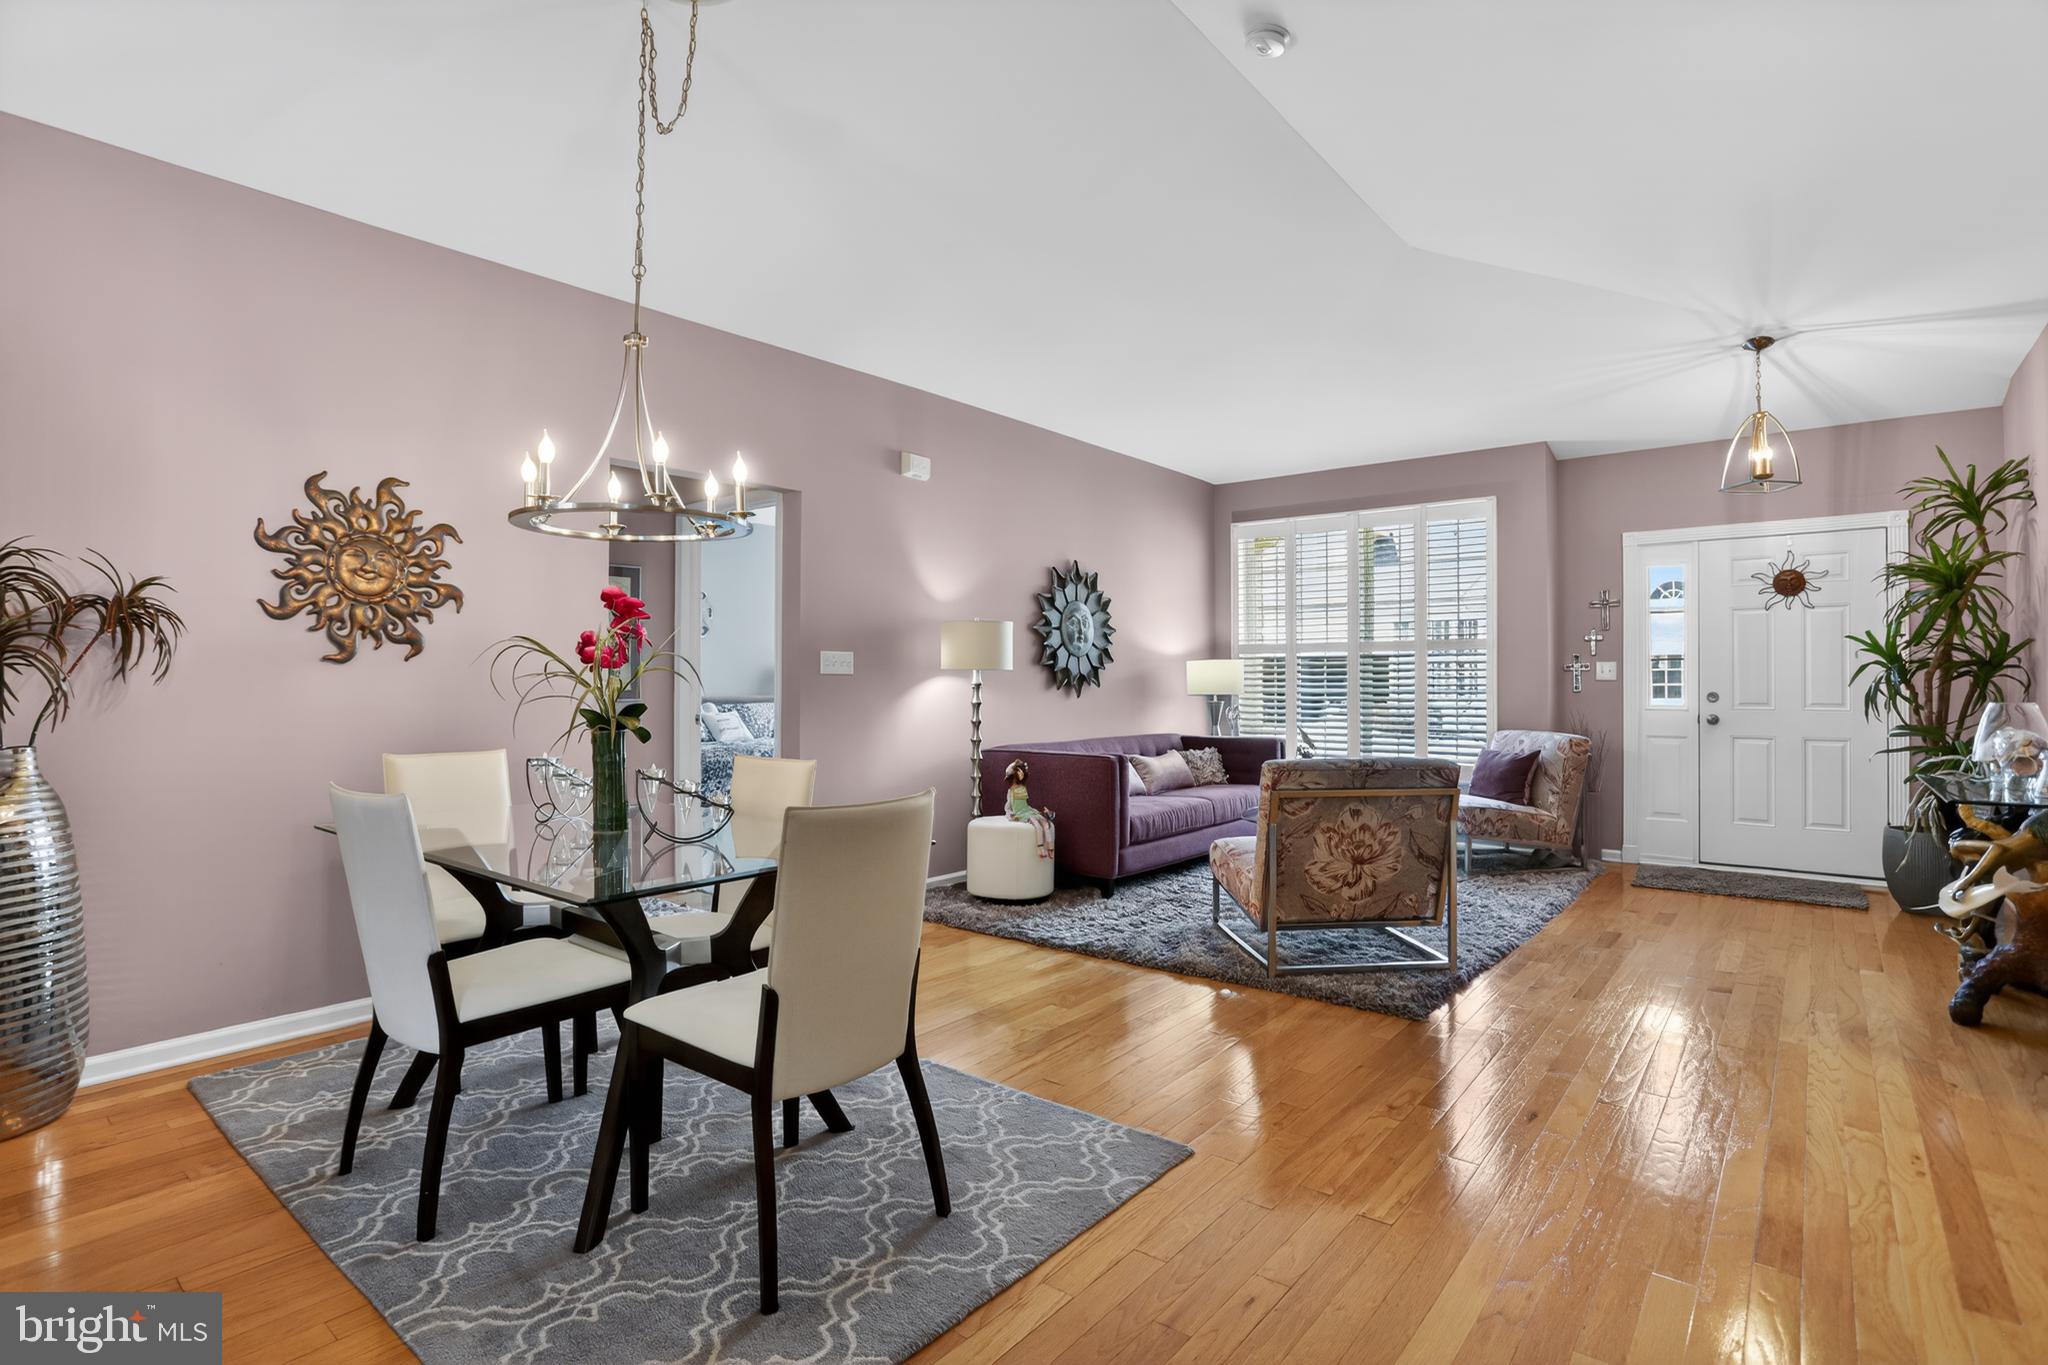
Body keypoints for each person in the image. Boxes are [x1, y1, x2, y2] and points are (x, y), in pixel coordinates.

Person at [1003, 759, 1055, 859]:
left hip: (1028, 810)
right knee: (1037, 826)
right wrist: (1010, 813)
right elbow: (1008, 806)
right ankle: (1040, 848)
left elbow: (1025, 803)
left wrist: (1032, 810)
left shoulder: (1023, 788)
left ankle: (1050, 847)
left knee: (1044, 823)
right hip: (1021, 813)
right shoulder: (1011, 791)